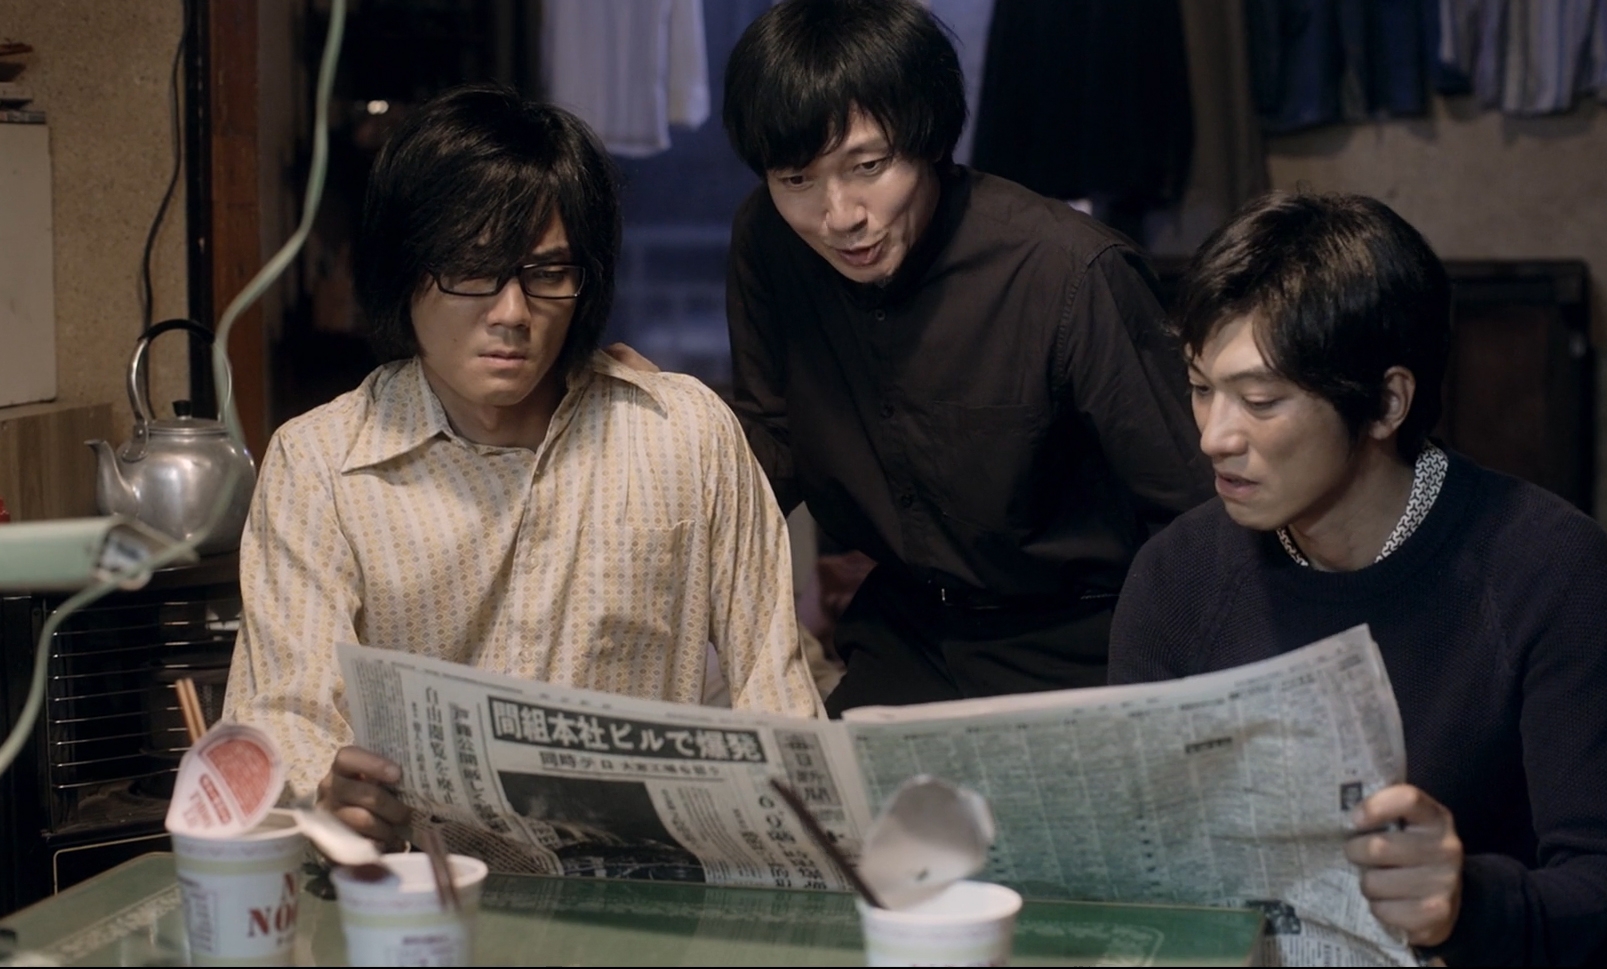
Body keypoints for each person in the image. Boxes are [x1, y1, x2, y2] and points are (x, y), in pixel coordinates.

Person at [222, 86, 822, 845]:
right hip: (422, 888)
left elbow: (777, 699)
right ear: (403, 272)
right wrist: (329, 798)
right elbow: (284, 716)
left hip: (642, 887)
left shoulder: (683, 433)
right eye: (472, 270)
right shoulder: (319, 465)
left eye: (546, 272)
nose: (512, 312)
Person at [1108, 191, 1607, 965]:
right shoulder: (1177, 575)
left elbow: (1594, 887)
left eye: (1259, 400)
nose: (1214, 436)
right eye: (1201, 387)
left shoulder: (1548, 570)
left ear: (1385, 402)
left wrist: (1464, 900)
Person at [719, 0, 1212, 715]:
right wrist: (663, 434)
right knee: (824, 785)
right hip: (910, 631)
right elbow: (774, 438)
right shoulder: (768, 242)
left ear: (927, 136)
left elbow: (1190, 508)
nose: (840, 216)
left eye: (869, 166)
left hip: (1079, 635)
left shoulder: (1067, 272)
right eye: (797, 179)